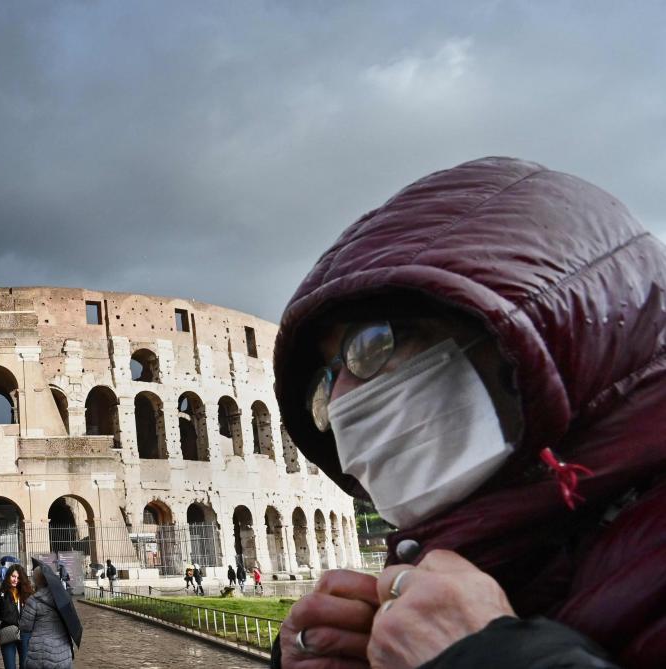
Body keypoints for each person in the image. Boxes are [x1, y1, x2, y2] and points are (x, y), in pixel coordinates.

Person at [270, 157, 666, 668]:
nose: (341, 401)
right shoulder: (480, 556)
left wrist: (487, 658)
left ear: (521, 335)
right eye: (324, 384)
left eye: (371, 344)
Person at [20, 564, 75, 669]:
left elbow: (25, 627)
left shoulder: (33, 601)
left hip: (40, 654)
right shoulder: (63, 598)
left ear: (36, 581)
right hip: (62, 653)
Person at [0, 564, 32, 669]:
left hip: (25, 634)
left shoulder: (27, 593)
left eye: (18, 577)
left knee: (25, 665)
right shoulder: (0, 593)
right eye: (13, 576)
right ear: (8, 576)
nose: (15, 580)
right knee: (10, 666)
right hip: (8, 632)